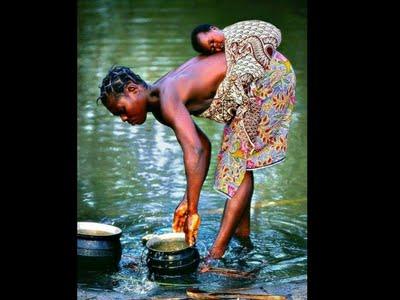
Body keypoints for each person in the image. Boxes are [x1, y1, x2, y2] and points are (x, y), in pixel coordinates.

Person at [97, 20, 296, 259]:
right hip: (260, 79)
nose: (123, 118)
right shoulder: (161, 104)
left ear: (132, 89)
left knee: (237, 165)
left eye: (121, 109)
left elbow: (196, 151)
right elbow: (202, 145)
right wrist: (187, 200)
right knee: (235, 162)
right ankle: (243, 242)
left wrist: (193, 208)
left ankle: (216, 255)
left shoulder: (167, 96)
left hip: (267, 75)